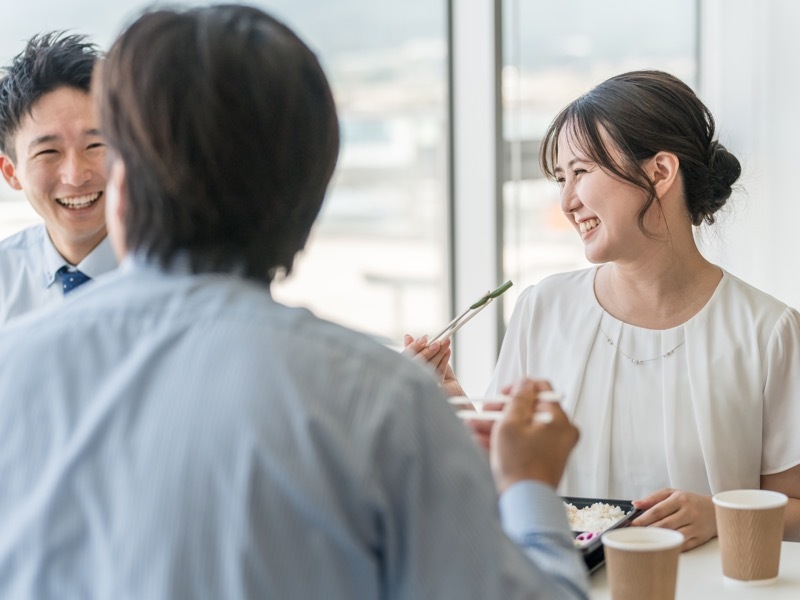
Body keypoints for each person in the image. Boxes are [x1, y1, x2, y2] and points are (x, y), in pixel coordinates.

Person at [0, 6, 589, 598]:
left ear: (123, 190)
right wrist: (529, 486)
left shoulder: (13, 368)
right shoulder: (380, 399)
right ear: (309, 202)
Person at [410, 70, 800, 551]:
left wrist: (719, 515)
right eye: (560, 178)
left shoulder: (768, 330)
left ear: (660, 172)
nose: (568, 201)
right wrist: (452, 402)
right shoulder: (543, 308)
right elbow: (508, 480)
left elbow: (796, 509)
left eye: (581, 171)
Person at [0, 32, 117, 325]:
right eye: (48, 152)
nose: (76, 176)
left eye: (95, 145)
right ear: (11, 173)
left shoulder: (184, 274)